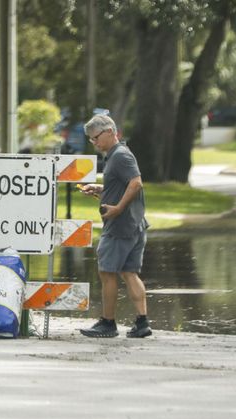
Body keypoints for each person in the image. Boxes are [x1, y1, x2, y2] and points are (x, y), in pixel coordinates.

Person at [78, 114, 151, 338]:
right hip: (135, 225)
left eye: (96, 137)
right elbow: (124, 184)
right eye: (91, 140)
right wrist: (100, 189)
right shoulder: (116, 156)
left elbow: (136, 183)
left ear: (110, 131)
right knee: (129, 272)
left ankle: (108, 323)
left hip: (120, 226)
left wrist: (118, 208)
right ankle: (142, 322)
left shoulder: (119, 156)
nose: (94, 143)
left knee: (106, 272)